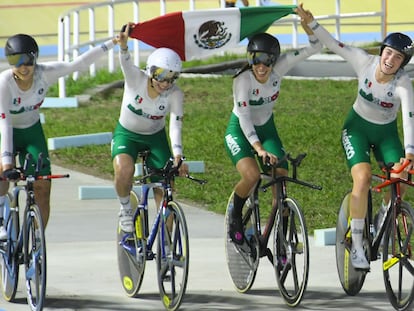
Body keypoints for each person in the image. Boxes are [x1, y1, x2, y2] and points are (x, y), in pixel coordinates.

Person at [296, 4, 414, 270]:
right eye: (388, 53)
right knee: (361, 178)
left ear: (403, 63)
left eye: (398, 58)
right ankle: (357, 242)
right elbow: (334, 44)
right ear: (381, 51)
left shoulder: (403, 84)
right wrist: (312, 23)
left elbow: (409, 117)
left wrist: (409, 155)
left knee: (401, 180)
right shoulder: (365, 61)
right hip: (357, 128)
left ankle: (386, 215)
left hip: (387, 134)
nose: (390, 60)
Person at [0, 33, 117, 240]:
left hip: (32, 131)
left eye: (27, 59)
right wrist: (8, 164)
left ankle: (36, 241)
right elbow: (6, 124)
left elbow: (78, 64)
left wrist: (112, 43)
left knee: (43, 188)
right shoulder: (4, 83)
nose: (22, 66)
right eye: (14, 61)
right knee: (1, 173)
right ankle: (1, 221)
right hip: (5, 131)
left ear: (35, 58)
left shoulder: (45, 73)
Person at [224, 21, 322, 245]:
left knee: (281, 177)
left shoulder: (280, 68)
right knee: (252, 176)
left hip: (267, 129)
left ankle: (280, 234)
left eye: (268, 60)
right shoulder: (242, 80)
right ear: (250, 59)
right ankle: (235, 215)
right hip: (240, 130)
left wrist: (308, 24)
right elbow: (245, 117)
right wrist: (257, 148)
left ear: (274, 60)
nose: (262, 65)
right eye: (256, 59)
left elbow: (315, 46)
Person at [112, 23, 188, 233]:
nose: (166, 82)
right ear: (151, 71)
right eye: (161, 75)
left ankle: (166, 243)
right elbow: (125, 62)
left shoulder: (175, 95)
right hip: (127, 134)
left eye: (172, 77)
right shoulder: (136, 78)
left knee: (167, 189)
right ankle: (126, 207)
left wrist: (178, 154)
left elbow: (175, 125)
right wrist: (124, 46)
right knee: (124, 170)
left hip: (155, 138)